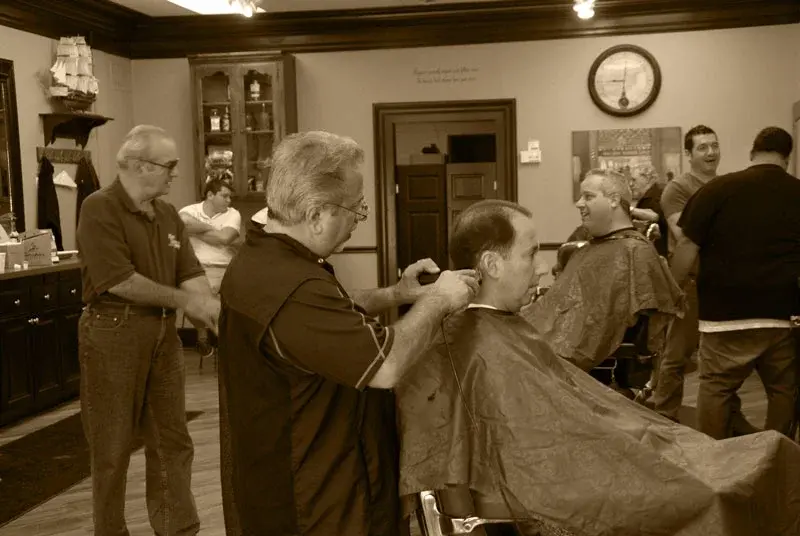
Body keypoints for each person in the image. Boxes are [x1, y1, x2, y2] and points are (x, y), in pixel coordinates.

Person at [396, 199, 800, 536]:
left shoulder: (495, 329)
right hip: (561, 476)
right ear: (492, 264)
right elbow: (523, 449)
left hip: (591, 452)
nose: (540, 268)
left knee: (760, 454)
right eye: (531, 253)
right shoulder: (467, 340)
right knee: (730, 480)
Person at [216, 130, 479, 535]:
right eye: (356, 208)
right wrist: (440, 300)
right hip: (314, 501)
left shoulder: (268, 256)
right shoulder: (292, 286)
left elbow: (329, 311)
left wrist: (396, 294)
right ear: (317, 213)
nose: (359, 219)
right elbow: (386, 366)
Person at [76, 125, 220, 536]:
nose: (175, 173)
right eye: (169, 165)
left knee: (172, 439)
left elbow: (190, 273)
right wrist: (186, 302)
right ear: (141, 165)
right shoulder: (98, 208)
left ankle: (177, 529)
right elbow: (118, 280)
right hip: (112, 332)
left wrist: (210, 309)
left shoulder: (169, 215)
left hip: (162, 335)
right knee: (112, 448)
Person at [670, 126, 800, 440]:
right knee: (784, 391)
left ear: (752, 152)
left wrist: (673, 293)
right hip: (781, 315)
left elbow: (686, 246)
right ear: (786, 157)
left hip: (722, 316)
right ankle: (775, 458)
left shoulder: (717, 189)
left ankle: (716, 463)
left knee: (715, 388)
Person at [524, 169, 683, 374]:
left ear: (614, 199)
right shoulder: (593, 248)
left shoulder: (635, 252)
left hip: (575, 359)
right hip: (549, 341)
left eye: (588, 196)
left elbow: (603, 325)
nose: (579, 203)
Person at [651, 125, 719, 421]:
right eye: (703, 147)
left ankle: (726, 415)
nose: (711, 153)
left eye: (714, 146)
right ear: (688, 154)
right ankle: (664, 416)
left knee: (719, 357)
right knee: (677, 356)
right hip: (688, 282)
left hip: (719, 281)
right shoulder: (677, 189)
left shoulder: (725, 185)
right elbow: (685, 235)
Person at [179, 177, 241, 356]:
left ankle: (209, 335)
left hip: (221, 268)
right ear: (210, 195)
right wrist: (214, 229)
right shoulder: (188, 210)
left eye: (230, 197)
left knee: (205, 292)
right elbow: (182, 221)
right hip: (193, 267)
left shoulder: (233, 213)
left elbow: (225, 238)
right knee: (183, 292)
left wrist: (196, 230)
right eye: (225, 196)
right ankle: (208, 333)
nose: (229, 201)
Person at [629, 163, 668, 256]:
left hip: (659, 250)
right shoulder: (649, 195)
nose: (631, 184)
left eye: (634, 180)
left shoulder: (657, 195)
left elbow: (655, 216)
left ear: (647, 179)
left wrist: (628, 209)